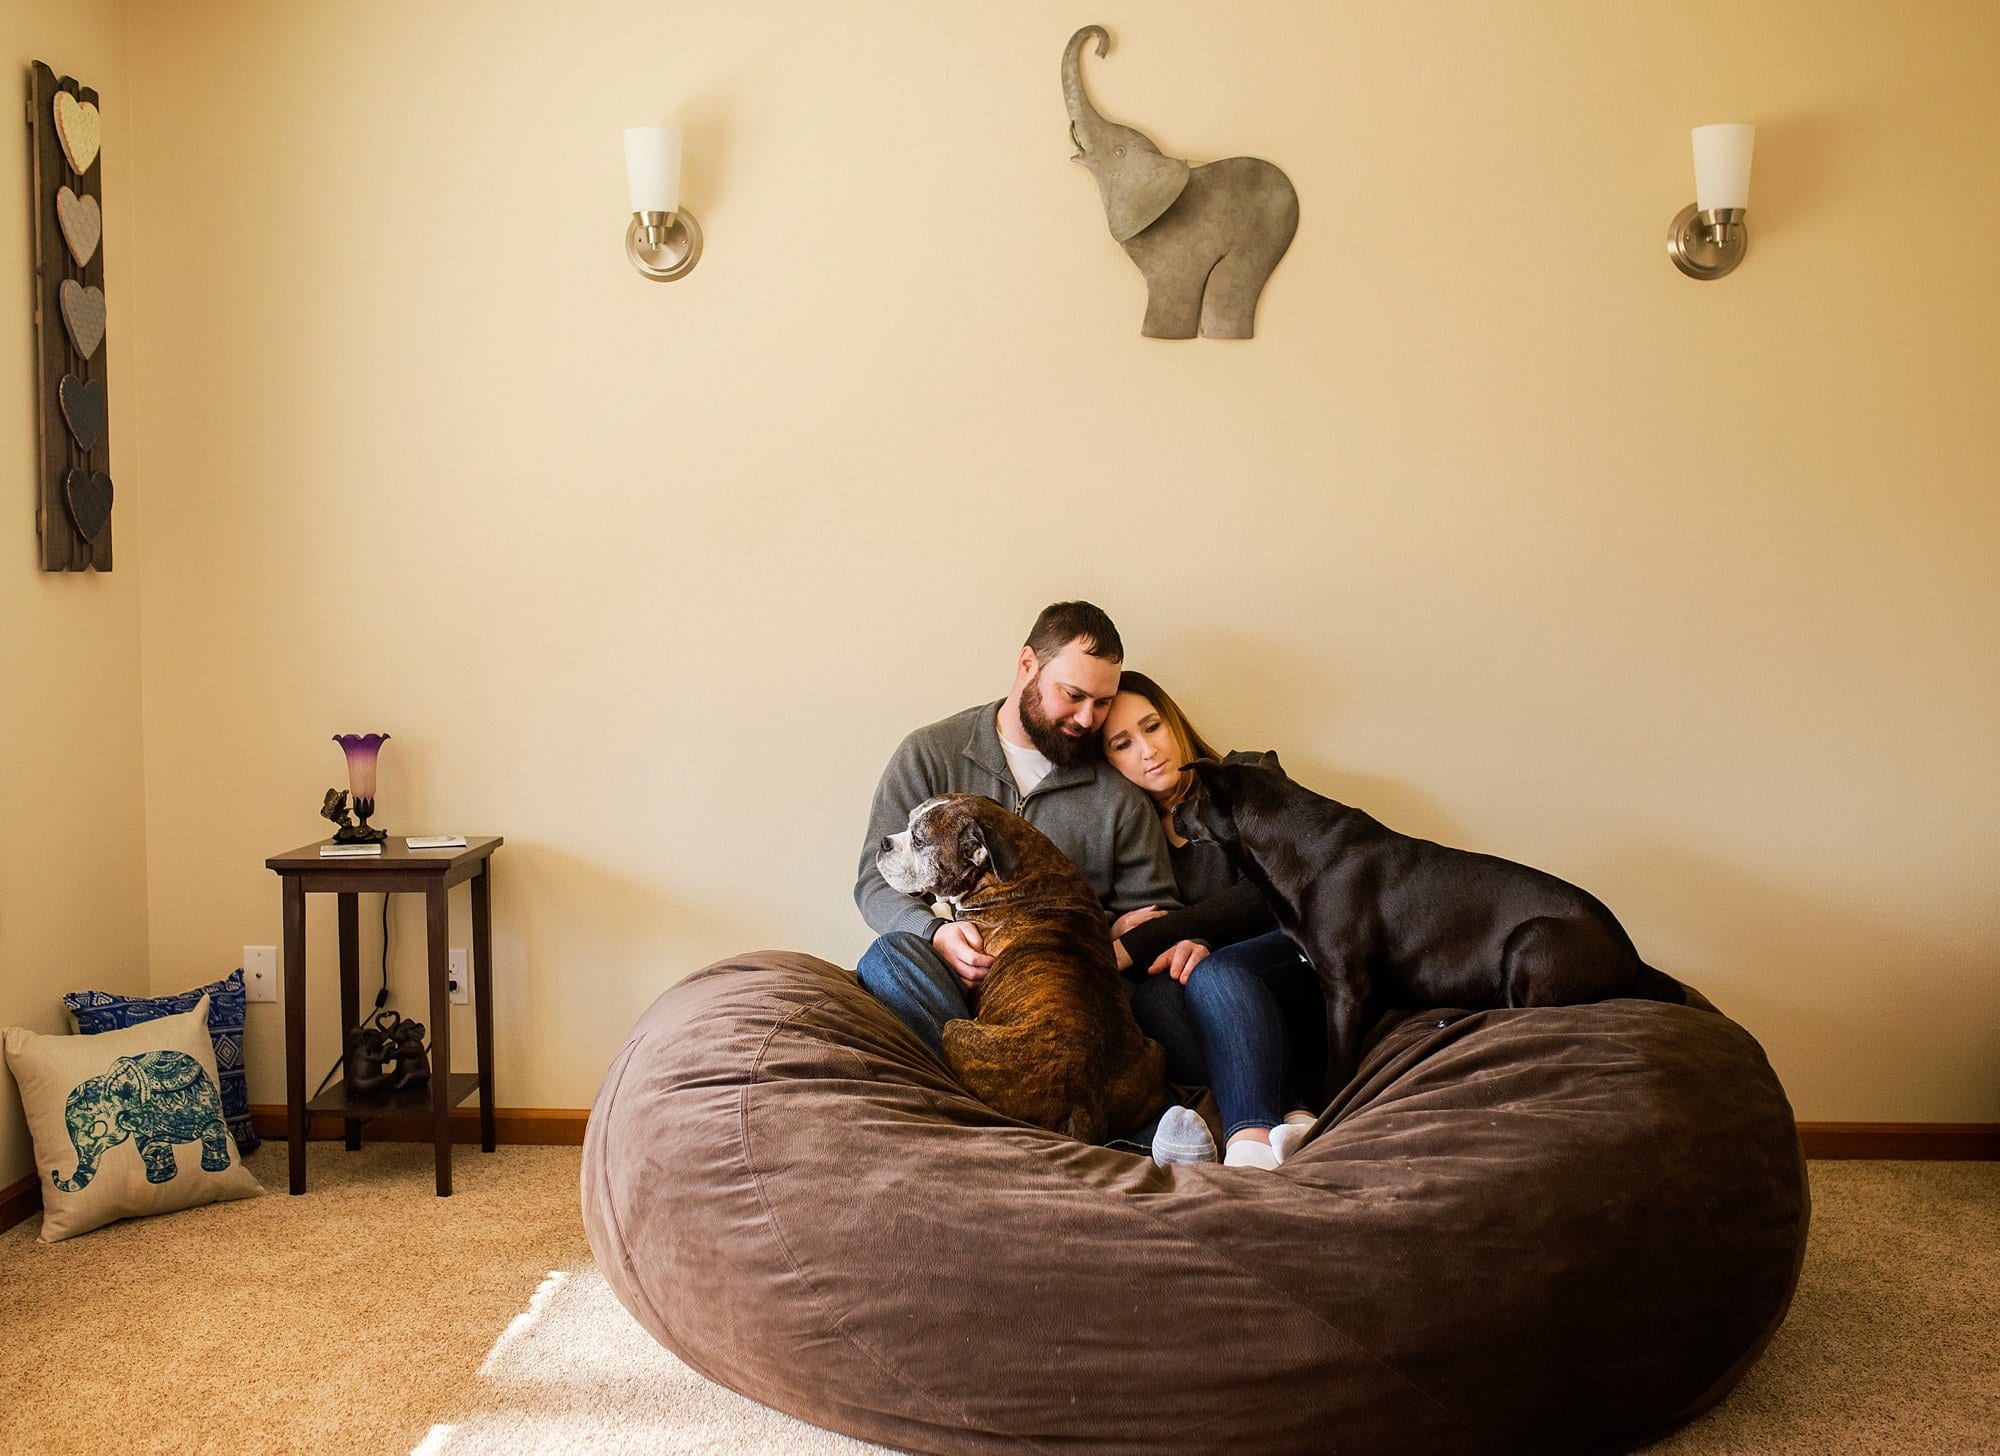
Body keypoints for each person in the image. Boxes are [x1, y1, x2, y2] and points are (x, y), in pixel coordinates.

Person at [853, 603, 1210, 1088]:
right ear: (1027, 666)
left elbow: (1154, 916)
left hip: (1067, 1000)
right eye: (1073, 694)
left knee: (1155, 1007)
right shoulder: (931, 754)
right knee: (888, 959)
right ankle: (990, 1094)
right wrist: (934, 933)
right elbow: (876, 882)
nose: (1088, 718)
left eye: (1102, 702)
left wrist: (1100, 936)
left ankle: (1051, 1105)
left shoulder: (1118, 793)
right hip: (961, 982)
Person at [1100, 671, 1326, 1169]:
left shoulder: (1247, 776)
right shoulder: (1135, 834)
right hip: (1225, 995)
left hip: (1296, 951)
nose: (1148, 750)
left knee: (1217, 971)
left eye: (1153, 727)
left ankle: (1249, 1144)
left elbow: (1270, 891)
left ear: (1174, 721)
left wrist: (1163, 938)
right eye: (1122, 744)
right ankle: (1295, 1117)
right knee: (1155, 996)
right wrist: (1124, 931)